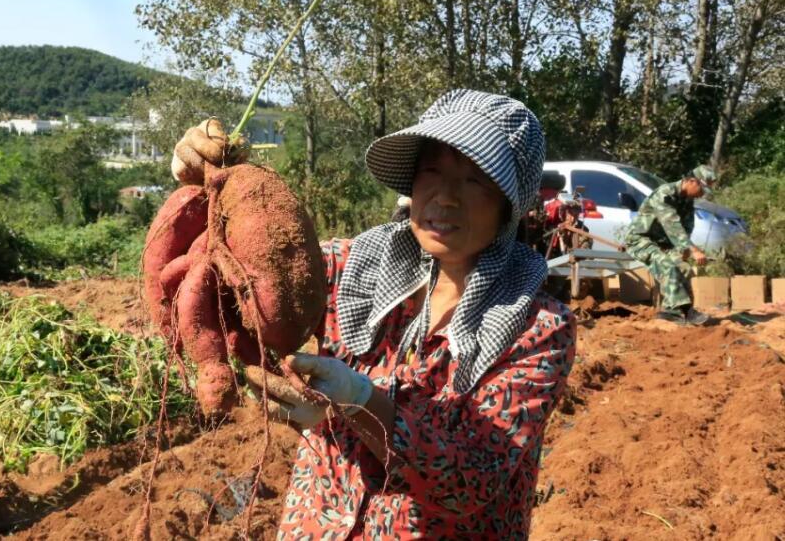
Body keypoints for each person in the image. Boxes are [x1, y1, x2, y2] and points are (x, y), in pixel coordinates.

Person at [178, 90, 576, 538]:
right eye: (432, 171)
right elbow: (244, 275)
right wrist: (209, 181)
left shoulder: (538, 327)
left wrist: (359, 401)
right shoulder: (347, 267)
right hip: (318, 523)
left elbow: (469, 480)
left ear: (509, 203)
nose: (444, 198)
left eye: (474, 180)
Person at [623, 165, 717, 326]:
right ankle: (686, 310)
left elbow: (687, 228)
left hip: (665, 244)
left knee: (684, 267)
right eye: (702, 190)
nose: (702, 195)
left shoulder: (688, 201)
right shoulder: (664, 194)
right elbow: (672, 225)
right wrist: (693, 249)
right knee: (666, 264)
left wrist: (684, 249)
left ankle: (669, 311)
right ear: (691, 181)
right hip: (641, 240)